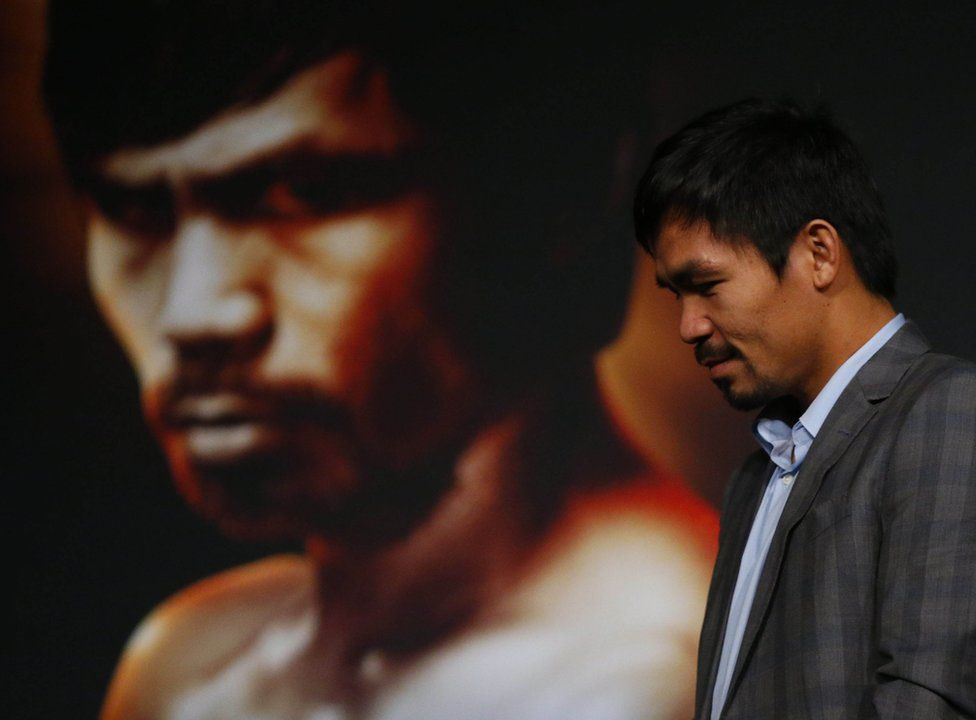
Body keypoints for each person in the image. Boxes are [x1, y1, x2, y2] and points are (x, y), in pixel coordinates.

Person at [44, 3, 718, 719]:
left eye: (305, 193)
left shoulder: (677, 679)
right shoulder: (189, 666)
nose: (195, 312)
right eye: (133, 211)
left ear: (564, 188)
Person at [632, 97, 976, 719]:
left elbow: (929, 702)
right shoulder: (755, 475)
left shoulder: (947, 411)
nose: (687, 325)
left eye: (706, 286)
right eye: (675, 294)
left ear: (819, 253)